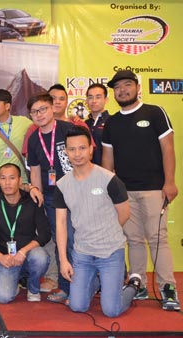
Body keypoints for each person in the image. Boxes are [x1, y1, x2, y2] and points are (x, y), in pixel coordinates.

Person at [102, 70, 179, 311]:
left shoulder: (155, 113)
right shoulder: (112, 122)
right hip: (125, 193)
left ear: (137, 87)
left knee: (158, 239)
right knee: (133, 240)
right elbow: (107, 161)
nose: (122, 90)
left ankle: (168, 289)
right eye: (118, 87)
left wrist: (170, 182)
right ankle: (139, 284)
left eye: (127, 85)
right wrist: (112, 193)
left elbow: (168, 149)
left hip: (154, 189)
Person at [56, 126, 141, 317]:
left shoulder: (109, 180)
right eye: (72, 149)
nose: (77, 154)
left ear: (91, 149)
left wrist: (105, 233)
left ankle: (133, 286)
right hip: (82, 255)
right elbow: (61, 223)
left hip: (110, 253)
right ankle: (94, 282)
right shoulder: (62, 185)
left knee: (111, 310)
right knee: (77, 306)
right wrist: (63, 260)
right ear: (66, 152)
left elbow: (124, 214)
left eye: (82, 148)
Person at [26, 93, 74, 304]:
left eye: (43, 109)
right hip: (53, 197)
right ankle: (66, 287)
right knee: (62, 241)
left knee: (83, 238)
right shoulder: (34, 138)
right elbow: (35, 169)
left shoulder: (67, 130)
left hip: (77, 192)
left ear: (52, 108)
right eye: (35, 111)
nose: (40, 114)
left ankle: (100, 281)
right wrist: (37, 191)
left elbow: (84, 158)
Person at [0, 163, 51, 303]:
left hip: (28, 253)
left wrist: (23, 251)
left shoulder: (32, 201)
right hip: (7, 258)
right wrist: (0, 257)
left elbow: (45, 233)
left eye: (12, 178)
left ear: (20, 181)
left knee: (40, 257)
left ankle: (33, 287)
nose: (7, 183)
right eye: (3, 178)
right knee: (3, 298)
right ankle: (16, 281)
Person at [84, 83, 110, 165]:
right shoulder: (83, 124)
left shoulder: (113, 122)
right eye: (90, 97)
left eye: (98, 97)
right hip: (86, 173)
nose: (94, 101)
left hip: (107, 173)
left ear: (106, 100)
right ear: (87, 101)